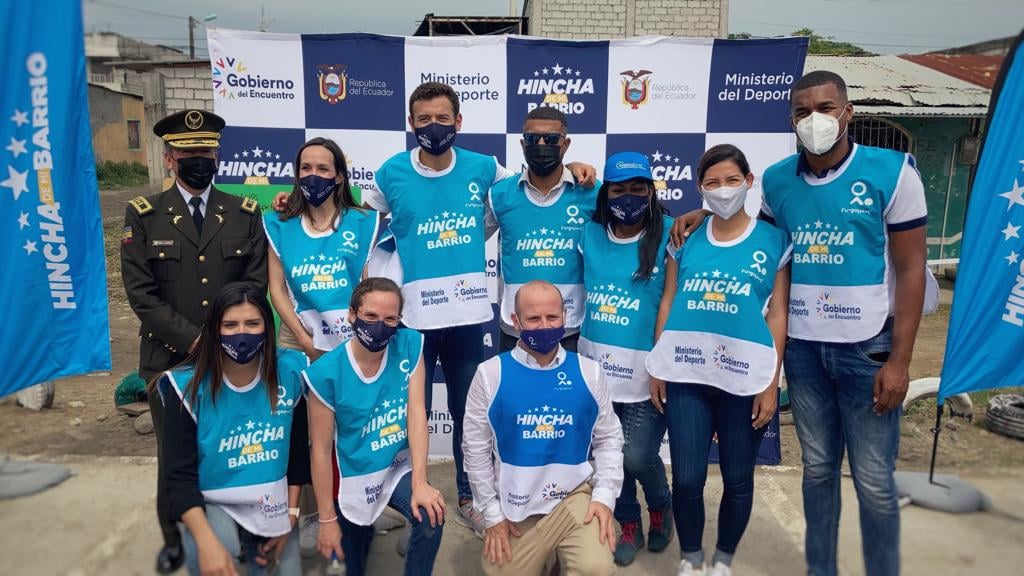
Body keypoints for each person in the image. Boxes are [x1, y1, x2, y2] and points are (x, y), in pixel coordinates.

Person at [673, 71, 927, 576]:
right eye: (802, 111)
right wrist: (705, 215)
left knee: (874, 481)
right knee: (818, 472)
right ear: (791, 120)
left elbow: (912, 269)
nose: (814, 119)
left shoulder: (892, 171)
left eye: (826, 108)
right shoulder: (777, 180)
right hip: (804, 351)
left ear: (848, 112)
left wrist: (900, 361)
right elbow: (757, 240)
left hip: (869, 348)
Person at [358, 82, 596, 533]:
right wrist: (297, 207)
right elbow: (357, 219)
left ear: (459, 122)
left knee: (471, 414)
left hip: (468, 319)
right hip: (412, 320)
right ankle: (403, 500)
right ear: (411, 123)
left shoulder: (486, 169)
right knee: (407, 413)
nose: (433, 126)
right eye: (424, 119)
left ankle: (469, 497)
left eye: (442, 118)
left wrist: (576, 167)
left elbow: (538, 181)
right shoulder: (391, 172)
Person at [120, 109, 268, 574]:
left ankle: (242, 529)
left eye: (205, 150)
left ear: (217, 156)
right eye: (187, 152)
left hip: (235, 358)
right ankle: (175, 540)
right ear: (170, 158)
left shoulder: (245, 212)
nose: (198, 159)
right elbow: (141, 294)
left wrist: (227, 340)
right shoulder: (143, 214)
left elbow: (255, 282)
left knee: (235, 447)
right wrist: (197, 342)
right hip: (168, 360)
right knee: (174, 456)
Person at [647, 145, 791, 576]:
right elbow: (668, 299)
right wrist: (658, 364)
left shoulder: (773, 240)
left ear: (749, 182)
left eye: (732, 180)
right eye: (712, 183)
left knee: (738, 477)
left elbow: (778, 313)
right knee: (688, 478)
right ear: (700, 188)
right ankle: (691, 557)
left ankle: (723, 559)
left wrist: (771, 382)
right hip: (686, 373)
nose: (723, 189)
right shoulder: (685, 237)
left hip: (745, 378)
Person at [463, 280, 624, 576]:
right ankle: (550, 557)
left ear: (565, 316)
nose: (544, 326)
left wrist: (604, 498)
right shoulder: (490, 374)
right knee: (500, 571)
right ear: (516, 321)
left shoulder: (589, 372)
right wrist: (493, 515)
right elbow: (475, 450)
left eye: (552, 317)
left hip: (574, 498)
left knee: (596, 569)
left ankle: (563, 550)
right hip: (516, 505)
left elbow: (609, 439)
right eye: (534, 318)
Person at [158, 283, 307, 576]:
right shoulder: (186, 387)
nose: (242, 333)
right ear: (214, 329)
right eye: (230, 325)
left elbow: (298, 455)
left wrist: (291, 515)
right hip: (214, 503)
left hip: (272, 504)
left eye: (252, 323)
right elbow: (178, 476)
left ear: (268, 327)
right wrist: (207, 544)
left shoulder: (291, 372)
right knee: (215, 555)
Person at [304, 277, 446, 576]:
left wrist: (421, 483)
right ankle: (364, 526)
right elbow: (320, 451)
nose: (379, 326)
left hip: (397, 466)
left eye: (390, 319)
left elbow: (417, 414)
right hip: (353, 474)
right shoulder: (324, 373)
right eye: (370, 316)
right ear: (351, 314)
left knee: (431, 516)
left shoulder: (409, 345)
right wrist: (327, 519)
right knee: (351, 564)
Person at [577, 151, 675, 566]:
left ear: (651, 192)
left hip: (647, 373)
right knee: (607, 456)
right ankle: (628, 521)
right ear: (606, 193)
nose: (629, 197)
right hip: (595, 370)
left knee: (636, 455)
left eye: (638, 188)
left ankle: (661, 505)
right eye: (619, 189)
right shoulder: (589, 233)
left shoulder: (672, 233)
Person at [489, 107, 600, 353]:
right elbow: (466, 235)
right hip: (516, 329)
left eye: (550, 139)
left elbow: (635, 228)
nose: (541, 145)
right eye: (532, 139)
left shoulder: (591, 193)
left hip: (570, 329)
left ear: (565, 144)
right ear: (522, 144)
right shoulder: (500, 194)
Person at [266, 136, 379, 359]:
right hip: (296, 335)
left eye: (323, 169)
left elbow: (368, 287)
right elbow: (277, 290)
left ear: (339, 176)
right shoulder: (280, 224)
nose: (313, 175)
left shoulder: (362, 222)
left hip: (350, 333)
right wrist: (303, 339)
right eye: (306, 168)